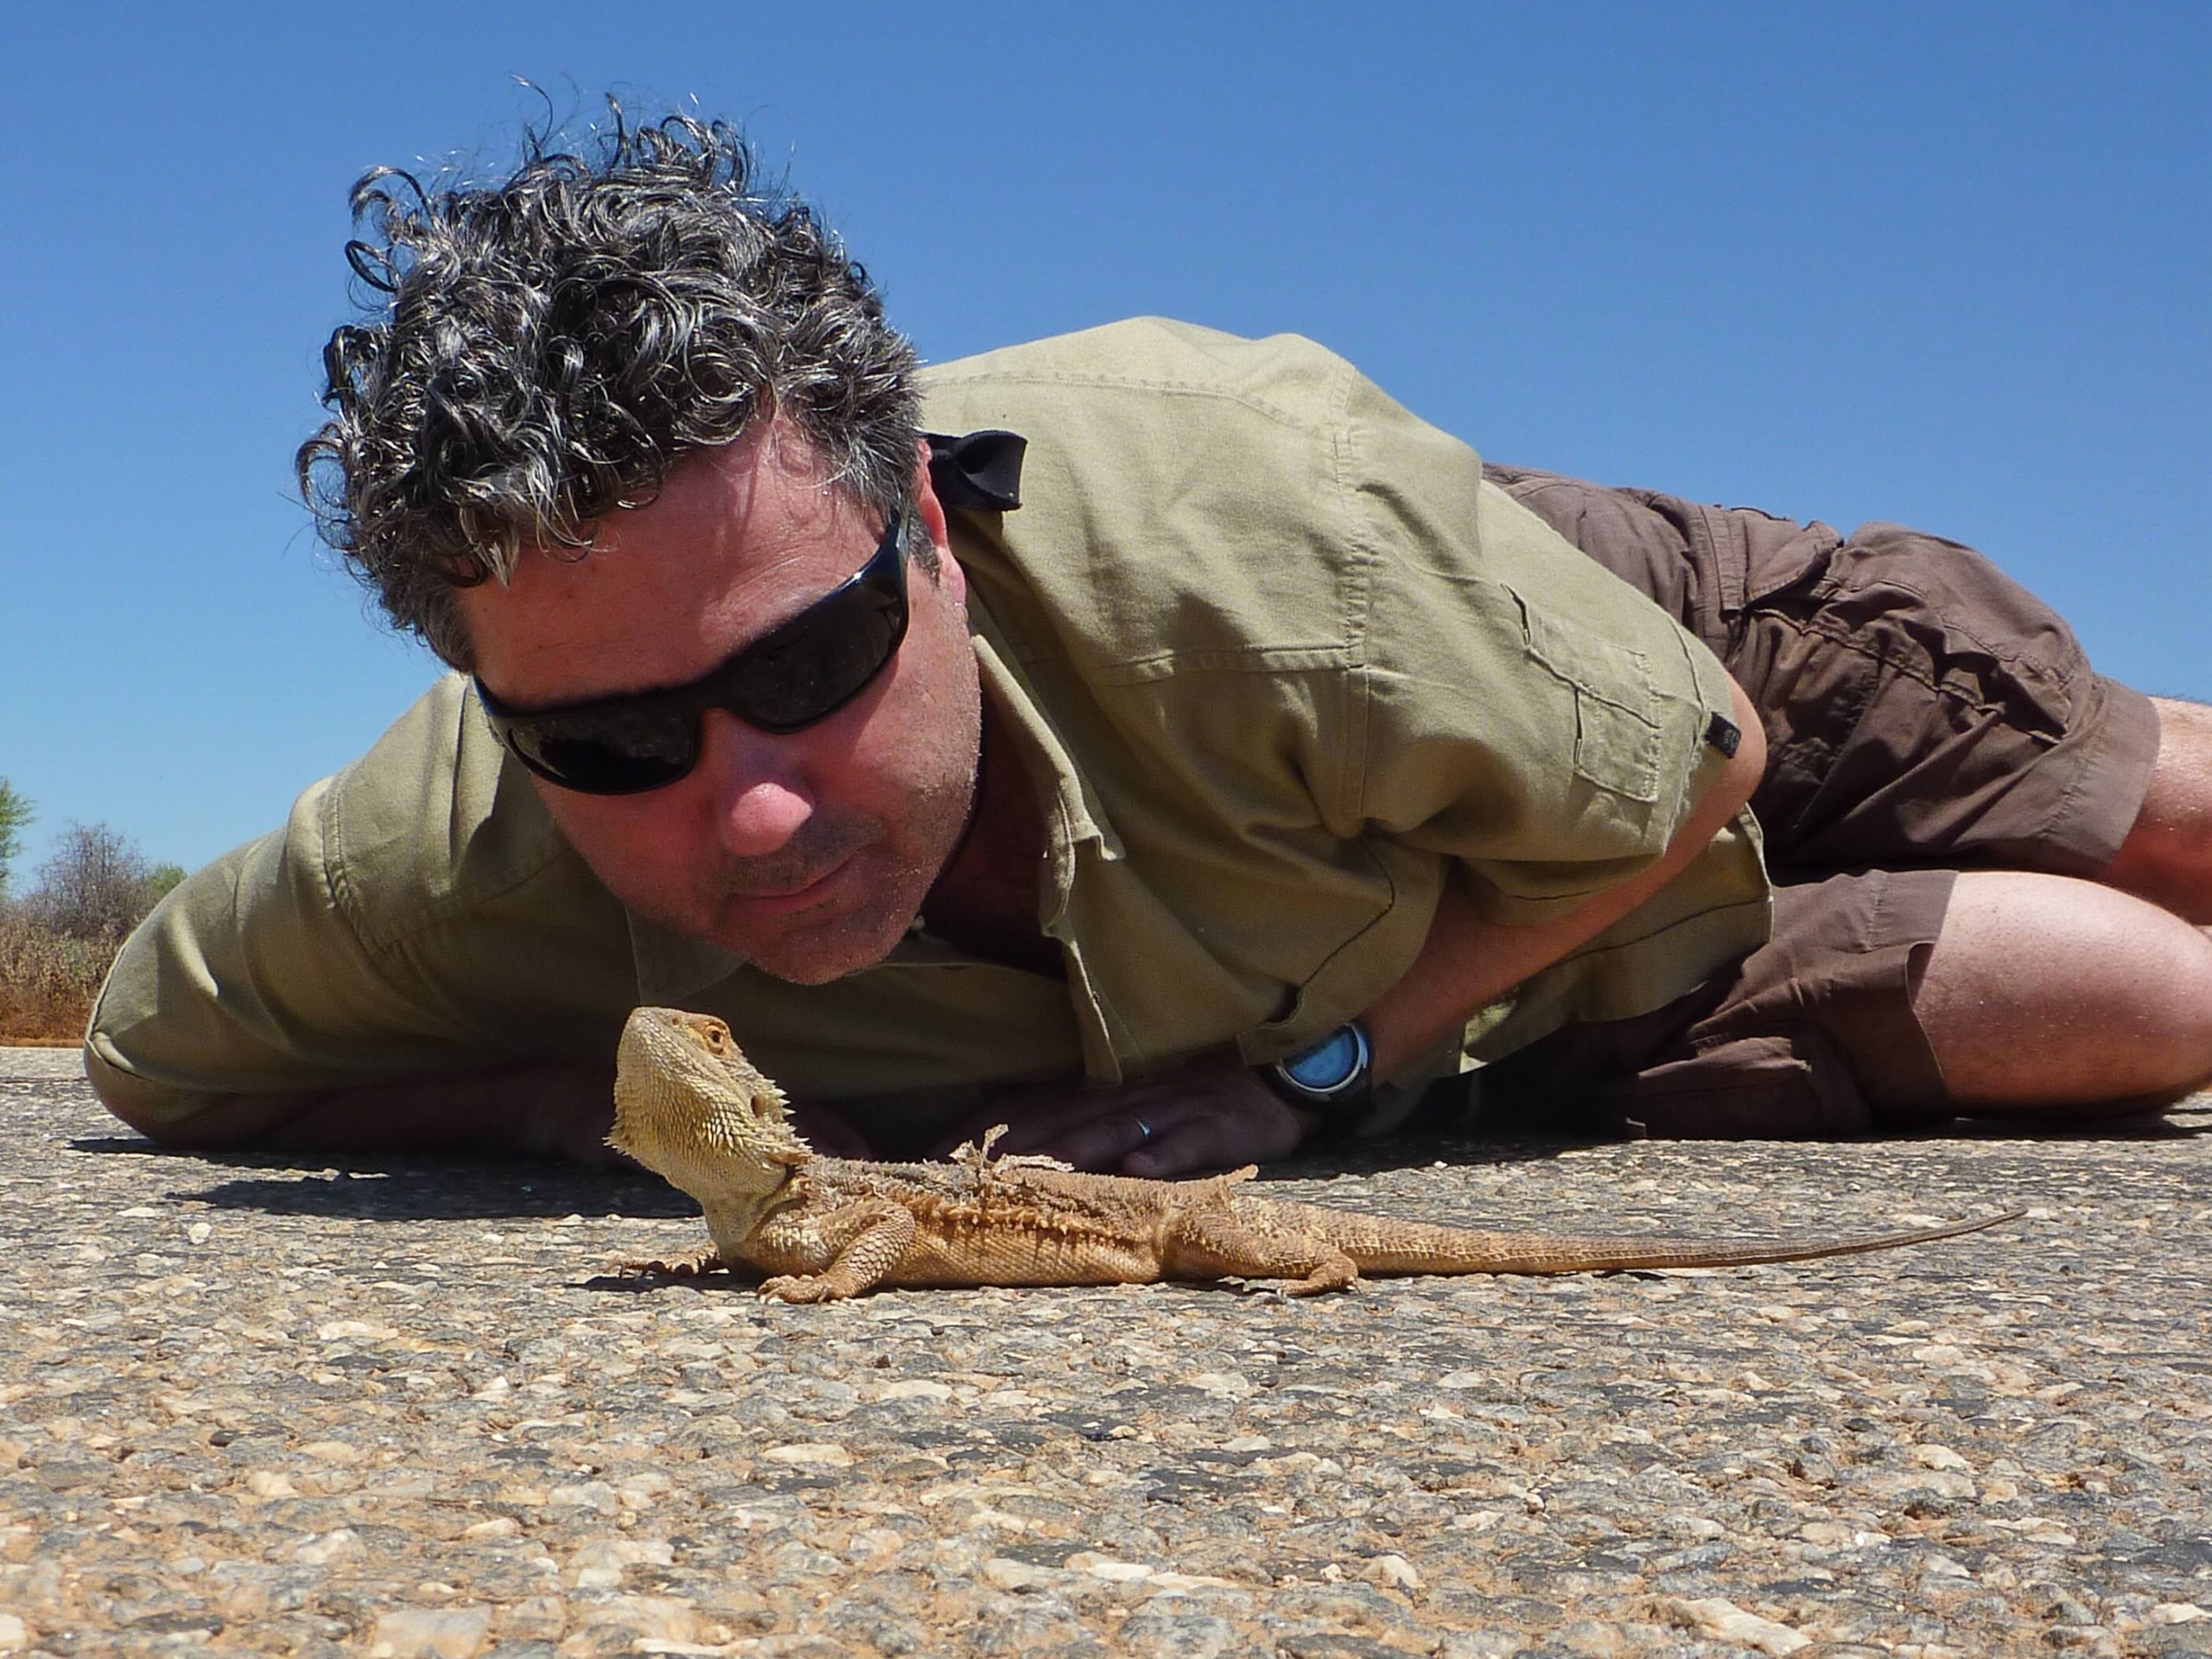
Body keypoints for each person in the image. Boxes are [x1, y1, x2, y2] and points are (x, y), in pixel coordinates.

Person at [85, 109, 2212, 1177]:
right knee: (2141, 1004)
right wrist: (566, 1095)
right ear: (491, 709)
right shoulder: (430, 860)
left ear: (922, 520)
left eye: (810, 666)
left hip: (1540, 676)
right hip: (1442, 960)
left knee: (2161, 828)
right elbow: (149, 1064)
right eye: (613, 742)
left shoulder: (1271, 533)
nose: (745, 800)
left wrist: (1302, 1081)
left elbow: (1704, 750)